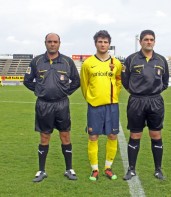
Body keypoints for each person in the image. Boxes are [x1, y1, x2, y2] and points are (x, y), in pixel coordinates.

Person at [23, 33, 80, 182]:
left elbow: (76, 81)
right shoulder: (36, 61)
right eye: (50, 41)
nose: (52, 44)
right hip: (43, 104)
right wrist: (39, 90)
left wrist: (66, 91)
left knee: (65, 135)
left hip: (62, 104)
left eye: (55, 41)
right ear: (45, 43)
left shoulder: (67, 62)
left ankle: (69, 169)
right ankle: (41, 171)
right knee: (44, 137)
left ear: (59, 43)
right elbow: (27, 81)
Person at [121, 30, 169, 180]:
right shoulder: (131, 59)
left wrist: (152, 93)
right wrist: (137, 93)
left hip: (155, 101)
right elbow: (125, 81)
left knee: (156, 135)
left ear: (154, 41)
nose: (149, 42)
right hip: (136, 101)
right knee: (135, 135)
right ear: (140, 41)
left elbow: (165, 83)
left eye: (151, 39)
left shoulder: (161, 60)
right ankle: (131, 169)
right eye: (146, 39)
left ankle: (158, 169)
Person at [80, 30, 122, 181]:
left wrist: (114, 95)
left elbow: (118, 81)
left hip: (112, 105)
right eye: (100, 41)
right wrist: (91, 98)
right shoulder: (88, 63)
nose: (103, 44)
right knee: (93, 136)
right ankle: (95, 169)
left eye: (105, 42)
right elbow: (84, 85)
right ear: (95, 43)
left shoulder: (115, 63)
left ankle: (108, 167)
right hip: (94, 106)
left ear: (109, 44)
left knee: (112, 135)